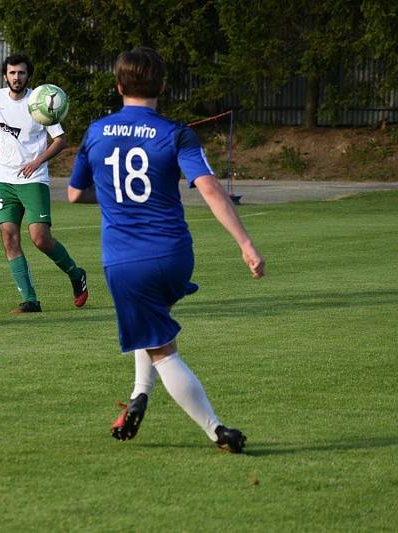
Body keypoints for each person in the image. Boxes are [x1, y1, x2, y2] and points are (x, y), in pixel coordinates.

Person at [67, 47, 265, 453]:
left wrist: (111, 196)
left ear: (119, 85)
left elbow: (73, 195)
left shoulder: (96, 131)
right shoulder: (176, 132)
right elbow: (209, 188)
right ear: (163, 87)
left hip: (126, 260)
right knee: (151, 322)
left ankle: (216, 429)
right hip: (174, 254)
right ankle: (140, 393)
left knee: (162, 351)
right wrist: (245, 243)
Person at [0, 54, 88, 314]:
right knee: (8, 237)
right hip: (4, 179)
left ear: (29, 76)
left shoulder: (40, 102)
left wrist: (38, 161)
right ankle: (30, 301)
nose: (17, 77)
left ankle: (76, 274)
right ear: (5, 75)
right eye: (12, 73)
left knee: (40, 238)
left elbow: (60, 139)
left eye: (22, 73)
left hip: (33, 179)